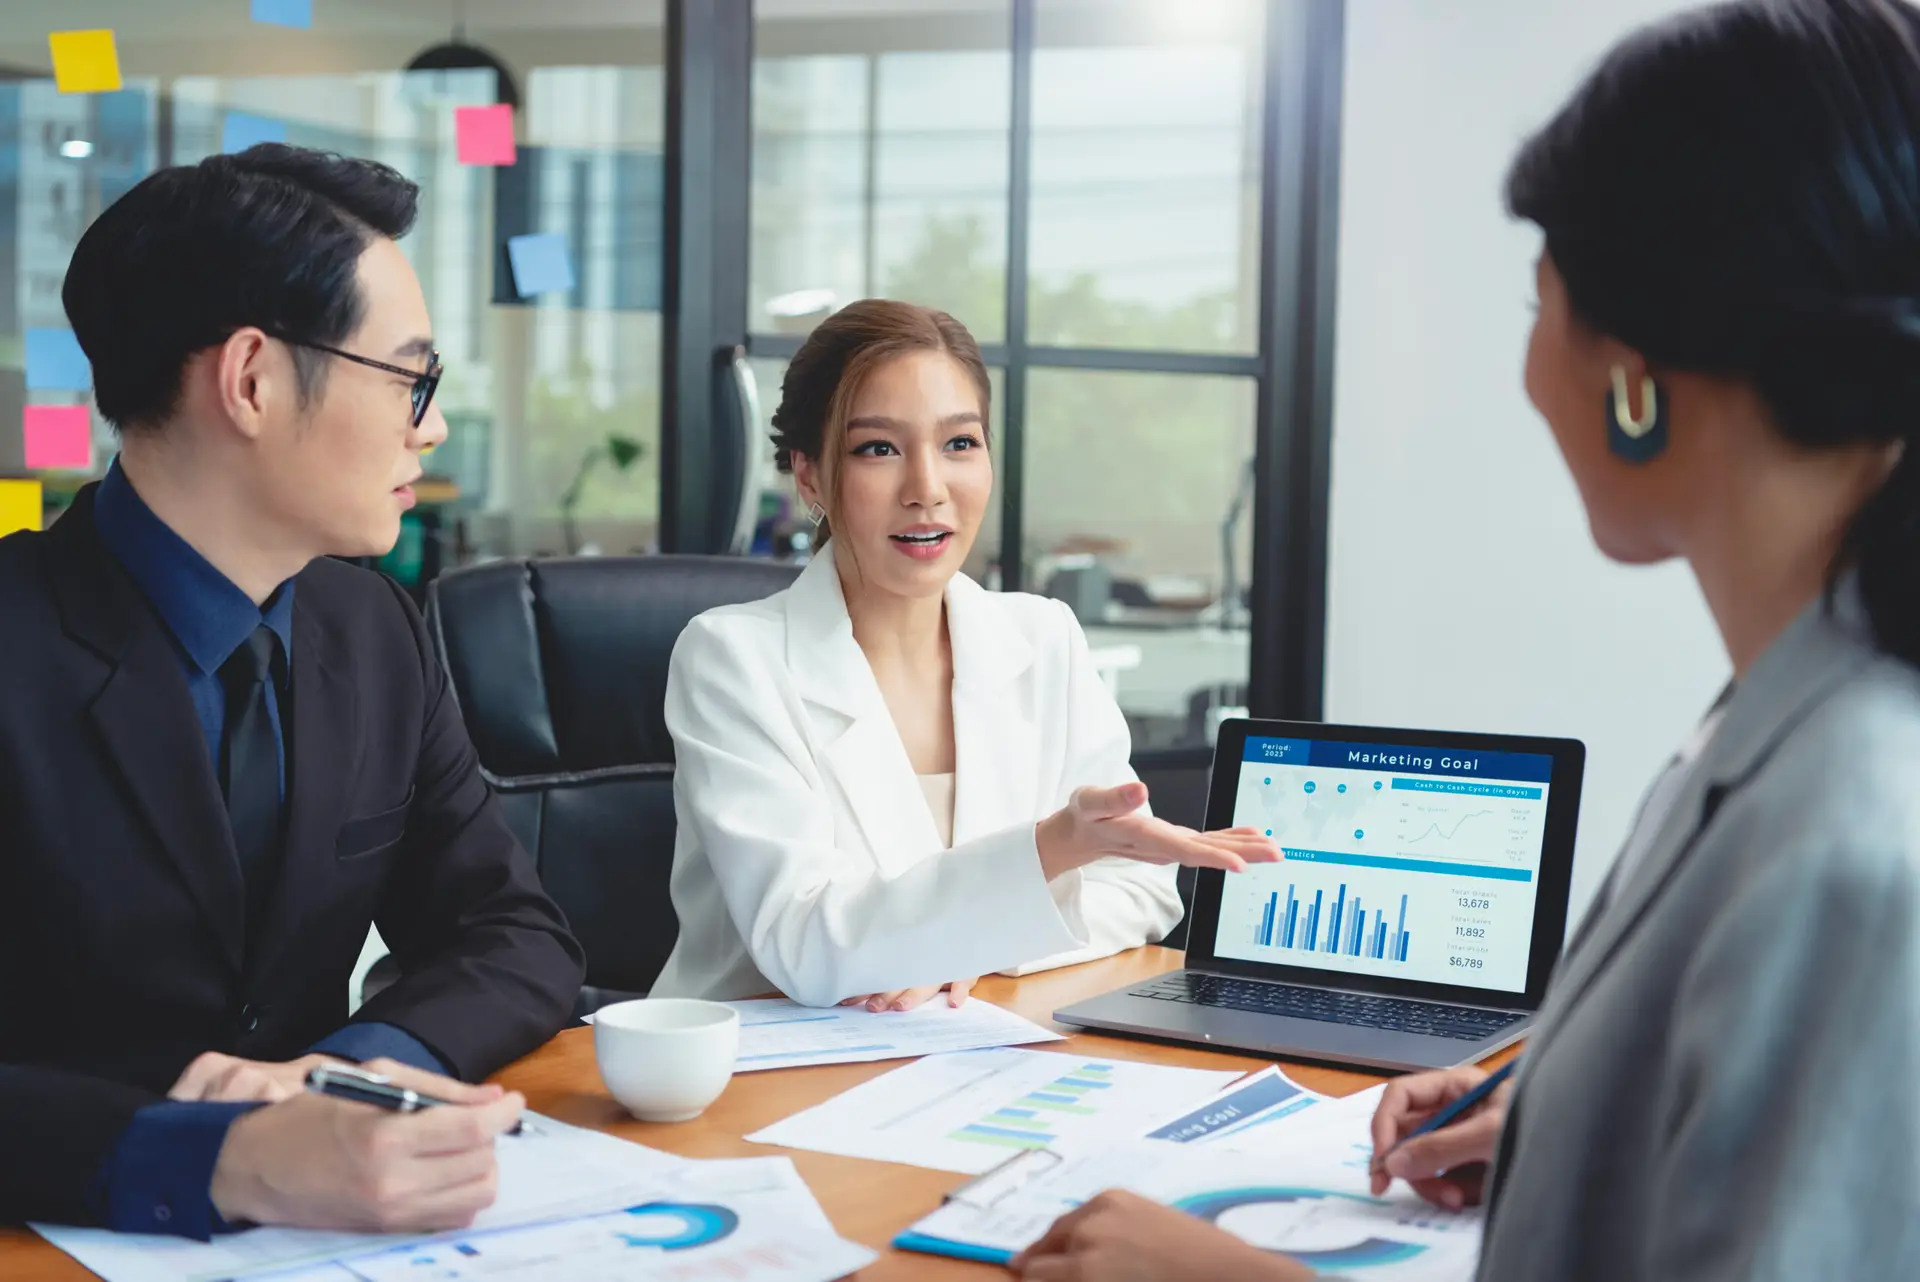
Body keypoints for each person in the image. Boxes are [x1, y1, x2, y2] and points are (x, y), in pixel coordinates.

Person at [1011, 1, 1920, 1278]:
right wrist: (1561, 1125)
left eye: (1538, 305)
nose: (1529, 371)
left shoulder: (1861, 838)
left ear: (1637, 376)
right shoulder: (1783, 718)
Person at [0, 146, 585, 1239]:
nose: (433, 424)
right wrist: (215, 1156)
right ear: (254, 380)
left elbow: (512, 930)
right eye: (411, 378)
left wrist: (351, 1071)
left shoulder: (371, 630)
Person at [652, 300, 1278, 1009]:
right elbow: (807, 945)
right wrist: (1050, 852)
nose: (927, 490)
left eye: (959, 444)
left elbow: (1138, 886)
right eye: (878, 449)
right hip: (749, 1078)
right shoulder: (733, 661)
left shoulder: (1042, 638)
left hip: (971, 1056)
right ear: (810, 477)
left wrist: (969, 947)